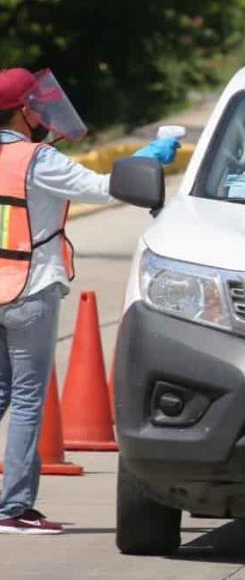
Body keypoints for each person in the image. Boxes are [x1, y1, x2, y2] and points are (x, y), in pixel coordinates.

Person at [0, 67, 180, 535]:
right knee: (25, 399)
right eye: (35, 106)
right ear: (23, 112)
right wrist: (147, 157)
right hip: (29, 290)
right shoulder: (35, 160)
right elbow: (105, 188)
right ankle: (13, 508)